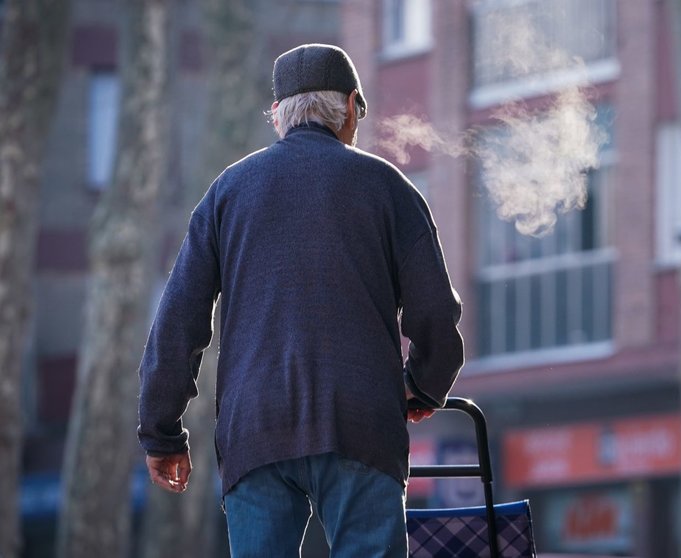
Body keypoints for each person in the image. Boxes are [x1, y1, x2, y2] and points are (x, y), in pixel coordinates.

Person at [137, 43, 464, 557]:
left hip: (256, 431)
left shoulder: (228, 192)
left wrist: (162, 432)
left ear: (278, 115)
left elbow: (179, 321)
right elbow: (436, 315)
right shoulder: (388, 187)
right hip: (362, 424)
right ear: (352, 105)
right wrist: (422, 385)